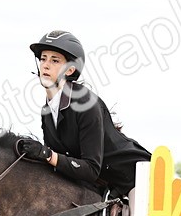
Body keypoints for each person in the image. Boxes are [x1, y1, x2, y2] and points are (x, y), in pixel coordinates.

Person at [15, 30, 151, 198]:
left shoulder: (86, 104)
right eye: (43, 59)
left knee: (137, 215)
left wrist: (46, 155)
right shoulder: (47, 111)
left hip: (135, 177)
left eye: (55, 60)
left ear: (70, 70)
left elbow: (91, 168)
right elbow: (58, 162)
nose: (46, 65)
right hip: (101, 185)